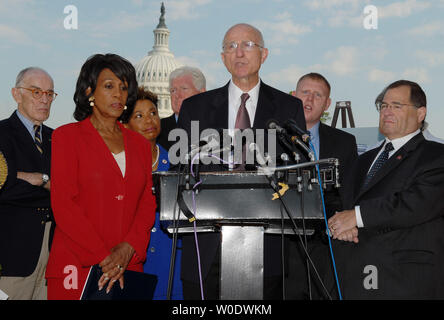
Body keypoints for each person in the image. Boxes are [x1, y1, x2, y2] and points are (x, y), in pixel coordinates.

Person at [177, 23, 306, 299]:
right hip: (206, 247)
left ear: (264, 54)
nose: (239, 53)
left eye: (248, 45)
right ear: (222, 57)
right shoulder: (195, 108)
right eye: (231, 47)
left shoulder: (288, 108)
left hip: (266, 249)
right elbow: (181, 173)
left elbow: (293, 176)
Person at [45, 54, 156, 300]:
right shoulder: (67, 137)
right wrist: (104, 257)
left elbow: (146, 203)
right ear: (89, 91)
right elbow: (64, 205)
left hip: (129, 267)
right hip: (77, 266)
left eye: (124, 88)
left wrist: (128, 249)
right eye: (109, 86)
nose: (118, 94)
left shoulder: (139, 144)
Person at [328, 80, 444, 299]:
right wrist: (339, 223)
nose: (387, 112)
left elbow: (415, 204)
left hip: (405, 281)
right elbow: (342, 201)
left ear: (421, 113)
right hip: (355, 278)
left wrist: (356, 217)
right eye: (384, 106)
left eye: (397, 106)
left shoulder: (436, 156)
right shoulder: (364, 160)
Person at [286, 73, 358, 299]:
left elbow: (348, 193)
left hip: (326, 244)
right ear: (293, 96)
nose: (309, 99)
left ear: (327, 104)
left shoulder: (344, 141)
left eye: (318, 95)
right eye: (305, 92)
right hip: (282, 244)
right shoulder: (270, 137)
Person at [121, 87, 183, 300]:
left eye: (153, 113)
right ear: (125, 124)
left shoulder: (178, 165)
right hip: (131, 267)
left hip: (172, 271)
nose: (149, 120)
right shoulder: (117, 167)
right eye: (139, 116)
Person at [0, 67, 56, 300]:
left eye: (49, 93)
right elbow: (5, 191)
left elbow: (71, 190)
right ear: (16, 93)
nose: (44, 99)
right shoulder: (1, 133)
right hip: (11, 257)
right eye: (36, 92)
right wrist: (48, 182)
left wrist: (28, 177)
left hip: (52, 256)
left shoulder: (58, 138)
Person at [157, 66, 206, 152]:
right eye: (173, 90)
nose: (177, 95)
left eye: (184, 89)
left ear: (201, 94)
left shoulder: (220, 128)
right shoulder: (157, 130)